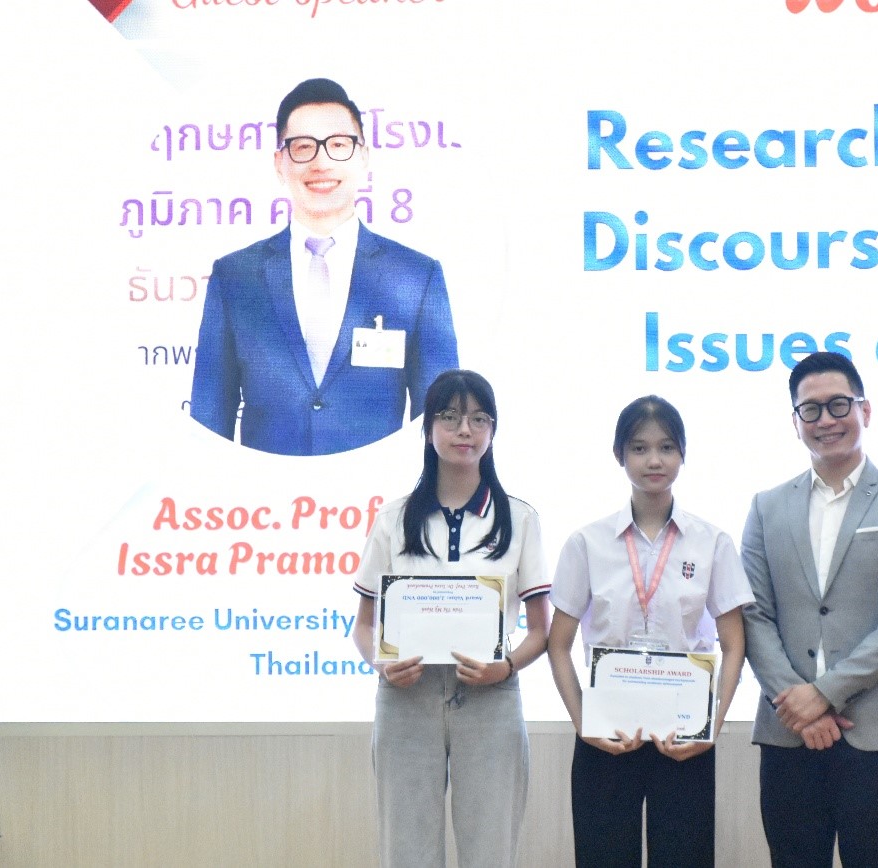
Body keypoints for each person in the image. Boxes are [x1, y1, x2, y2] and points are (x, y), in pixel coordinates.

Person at [741, 351, 878, 868]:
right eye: (810, 409)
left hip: (873, 730)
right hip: (788, 732)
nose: (825, 420)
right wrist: (798, 705)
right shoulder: (766, 507)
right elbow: (754, 615)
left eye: (838, 405)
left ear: (864, 410)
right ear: (795, 422)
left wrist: (824, 694)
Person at [190, 77, 458, 456]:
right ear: (279, 164)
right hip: (265, 492)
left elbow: (442, 422)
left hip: (378, 491)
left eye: (338, 145)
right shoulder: (235, 276)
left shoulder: (416, 277)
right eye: (302, 147)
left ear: (363, 157)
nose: (321, 162)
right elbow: (207, 426)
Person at [352, 369, 550, 868]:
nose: (466, 430)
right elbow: (364, 625)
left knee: (491, 850)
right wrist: (381, 663)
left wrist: (506, 667)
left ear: (493, 431)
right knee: (406, 850)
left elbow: (541, 630)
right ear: (427, 429)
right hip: (406, 697)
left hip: (490, 696)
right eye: (450, 417)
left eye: (479, 419)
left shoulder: (520, 519)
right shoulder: (394, 519)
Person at [547, 395, 753, 868]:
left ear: (683, 454)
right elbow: (558, 645)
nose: (654, 460)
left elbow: (734, 644)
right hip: (606, 735)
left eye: (666, 447)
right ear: (619, 455)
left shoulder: (712, 542)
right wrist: (584, 724)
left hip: (685, 736)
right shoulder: (587, 543)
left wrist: (711, 728)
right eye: (639, 448)